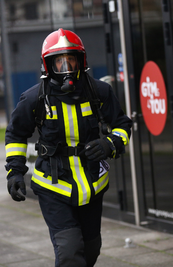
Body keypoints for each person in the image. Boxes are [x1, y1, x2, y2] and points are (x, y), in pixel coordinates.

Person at [5, 28, 132, 266]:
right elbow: (15, 134)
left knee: (91, 250)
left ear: (81, 61)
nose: (66, 67)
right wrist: (15, 171)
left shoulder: (100, 91)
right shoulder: (33, 99)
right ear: (48, 65)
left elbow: (123, 125)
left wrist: (111, 143)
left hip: (93, 182)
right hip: (53, 185)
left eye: (70, 60)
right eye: (59, 62)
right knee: (70, 251)